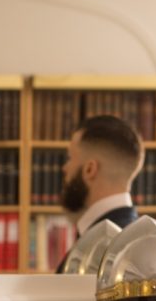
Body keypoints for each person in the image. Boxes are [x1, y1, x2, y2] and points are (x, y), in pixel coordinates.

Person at [56, 114, 144, 272]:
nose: (65, 168)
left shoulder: (99, 248)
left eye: (70, 158)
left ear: (90, 169)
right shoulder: (141, 241)